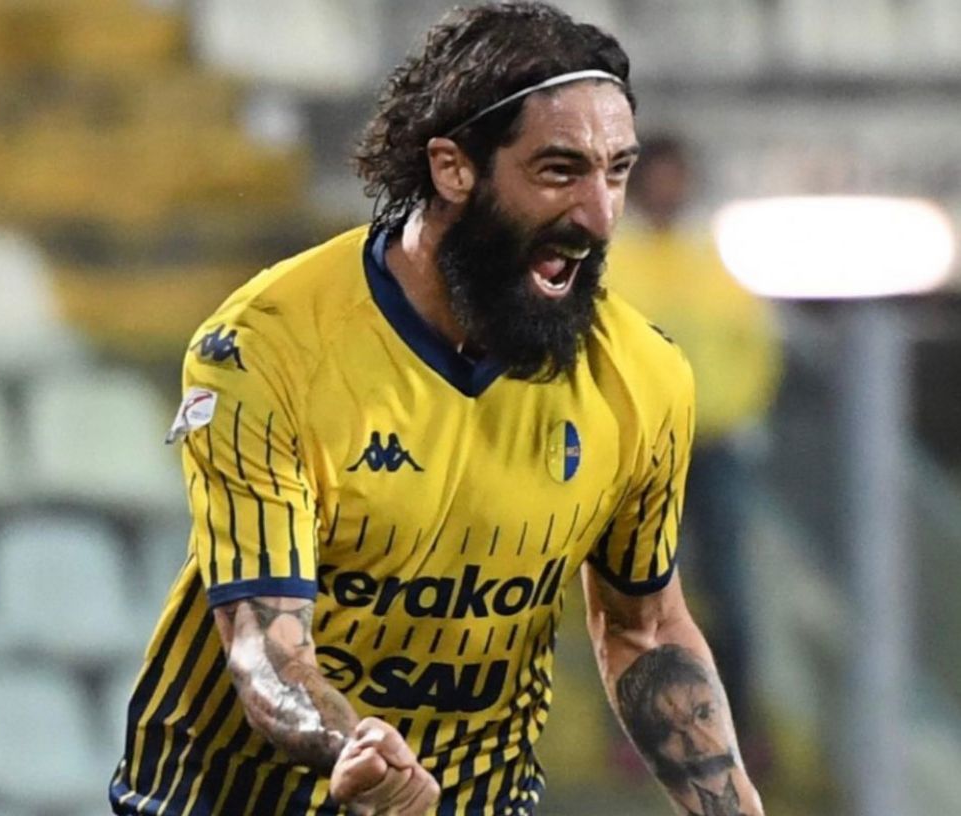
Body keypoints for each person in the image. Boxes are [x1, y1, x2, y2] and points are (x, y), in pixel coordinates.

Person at [109, 4, 766, 814]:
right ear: (453, 168)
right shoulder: (266, 347)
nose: (598, 217)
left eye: (618, 171)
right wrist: (356, 751)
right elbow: (266, 652)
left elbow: (647, 630)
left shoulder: (644, 375)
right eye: (560, 171)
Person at [606, 135, 782, 743]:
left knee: (729, 594)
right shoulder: (612, 265)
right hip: (642, 457)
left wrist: (736, 411)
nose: (666, 191)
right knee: (639, 599)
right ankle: (640, 733)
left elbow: (756, 346)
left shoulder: (715, 262)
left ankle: (739, 728)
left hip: (715, 447)